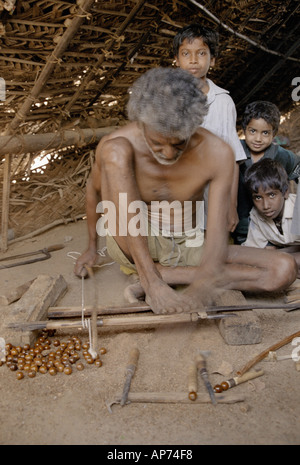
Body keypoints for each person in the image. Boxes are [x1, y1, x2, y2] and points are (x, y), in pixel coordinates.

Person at [74, 67, 297, 314]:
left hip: (189, 241)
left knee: (283, 270)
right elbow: (94, 191)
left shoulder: (217, 153)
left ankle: (166, 275)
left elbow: (214, 235)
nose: (168, 153)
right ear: (142, 124)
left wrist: (200, 288)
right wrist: (91, 248)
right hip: (133, 239)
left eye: (179, 142)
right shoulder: (119, 143)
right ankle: (150, 278)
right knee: (115, 152)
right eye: (157, 143)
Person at [173, 23, 246, 232]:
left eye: (201, 53)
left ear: (212, 60)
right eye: (186, 53)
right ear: (177, 60)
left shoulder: (223, 102)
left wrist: (232, 205)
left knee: (211, 237)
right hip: (177, 187)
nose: (193, 60)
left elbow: (232, 158)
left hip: (213, 188)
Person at [233, 100, 300, 244]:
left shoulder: (283, 156)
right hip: (241, 225)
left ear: (274, 133)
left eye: (265, 133)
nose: (258, 139)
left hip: (272, 229)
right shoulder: (235, 152)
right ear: (244, 129)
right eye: (252, 131)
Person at [242, 158, 300, 277]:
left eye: (272, 195)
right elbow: (253, 252)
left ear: (285, 192)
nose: (265, 206)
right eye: (258, 197)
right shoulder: (256, 215)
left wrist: (278, 257)